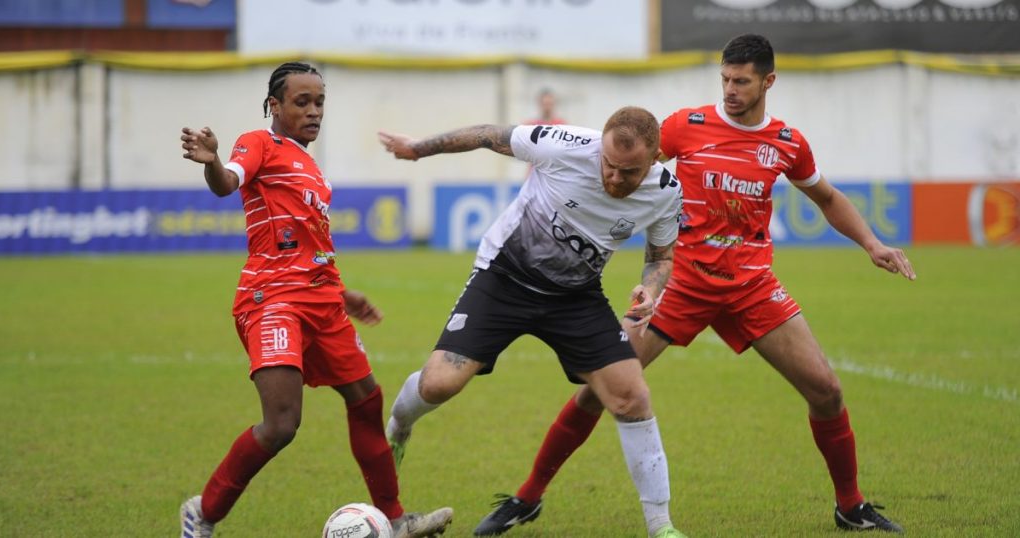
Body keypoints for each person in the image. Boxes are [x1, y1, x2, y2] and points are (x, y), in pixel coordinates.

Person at [473, 34, 915, 536]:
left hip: (751, 284)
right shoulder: (686, 126)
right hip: (680, 283)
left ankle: (850, 505)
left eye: (742, 81)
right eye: (725, 79)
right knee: (604, 390)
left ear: (768, 82)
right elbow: (620, 168)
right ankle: (527, 497)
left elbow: (827, 197)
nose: (730, 89)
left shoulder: (787, 143)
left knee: (827, 391)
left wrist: (872, 243)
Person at [377, 106, 687, 538]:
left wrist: (650, 291)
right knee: (438, 386)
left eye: (628, 172)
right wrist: (417, 149)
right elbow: (488, 133)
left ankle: (661, 527)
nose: (614, 179)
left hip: (576, 296)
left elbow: (661, 257)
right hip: (504, 276)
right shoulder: (565, 145)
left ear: (654, 159)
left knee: (631, 395)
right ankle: (400, 425)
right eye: (609, 166)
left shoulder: (667, 192)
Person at [176, 61, 453, 538]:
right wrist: (213, 162)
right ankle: (204, 511)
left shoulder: (311, 169)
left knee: (367, 400)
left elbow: (307, 242)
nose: (313, 111)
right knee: (282, 424)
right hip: (273, 301)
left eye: (319, 102)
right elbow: (229, 182)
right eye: (301, 102)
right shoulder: (259, 143)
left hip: (322, 300)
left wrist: (343, 293)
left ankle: (395, 518)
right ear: (274, 105)